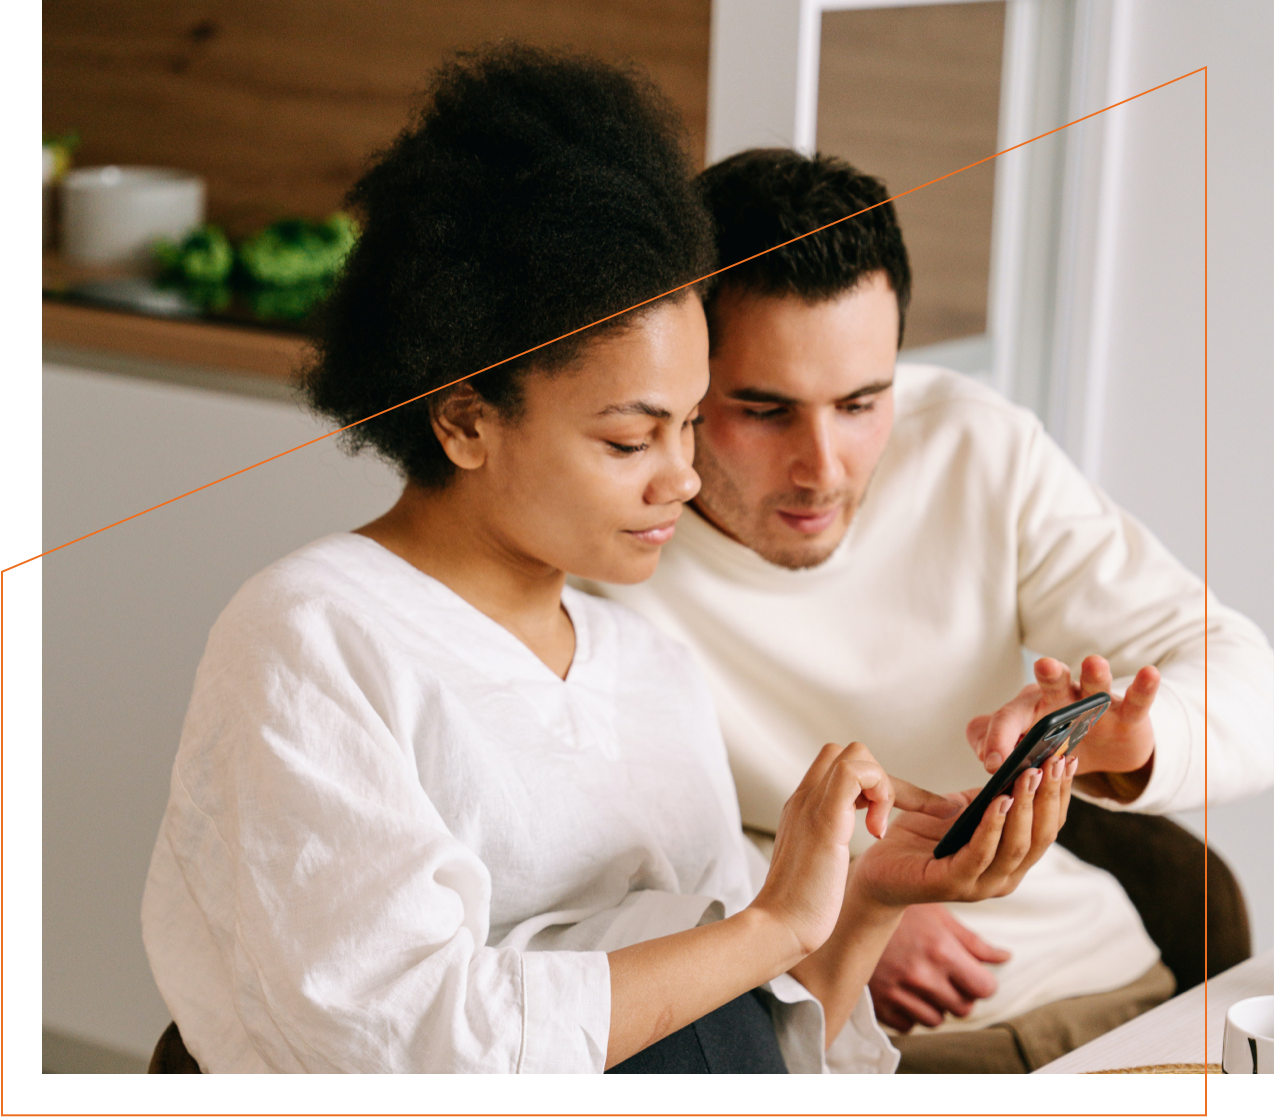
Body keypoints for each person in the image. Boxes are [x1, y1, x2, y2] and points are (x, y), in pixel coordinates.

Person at [140, 48, 1074, 1075]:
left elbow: (768, 1036)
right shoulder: (314, 637)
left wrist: (862, 902)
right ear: (463, 420)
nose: (677, 478)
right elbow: (406, 1038)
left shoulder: (647, 668)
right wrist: (771, 923)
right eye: (629, 441)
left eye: (688, 426)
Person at [577, 148, 1274, 1072]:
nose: (823, 467)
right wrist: (838, 913)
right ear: (689, 380)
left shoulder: (974, 447)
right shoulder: (599, 557)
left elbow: (1239, 670)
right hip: (872, 1047)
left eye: (863, 401)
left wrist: (1133, 746)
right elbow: (586, 873)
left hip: (1116, 996)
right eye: (766, 409)